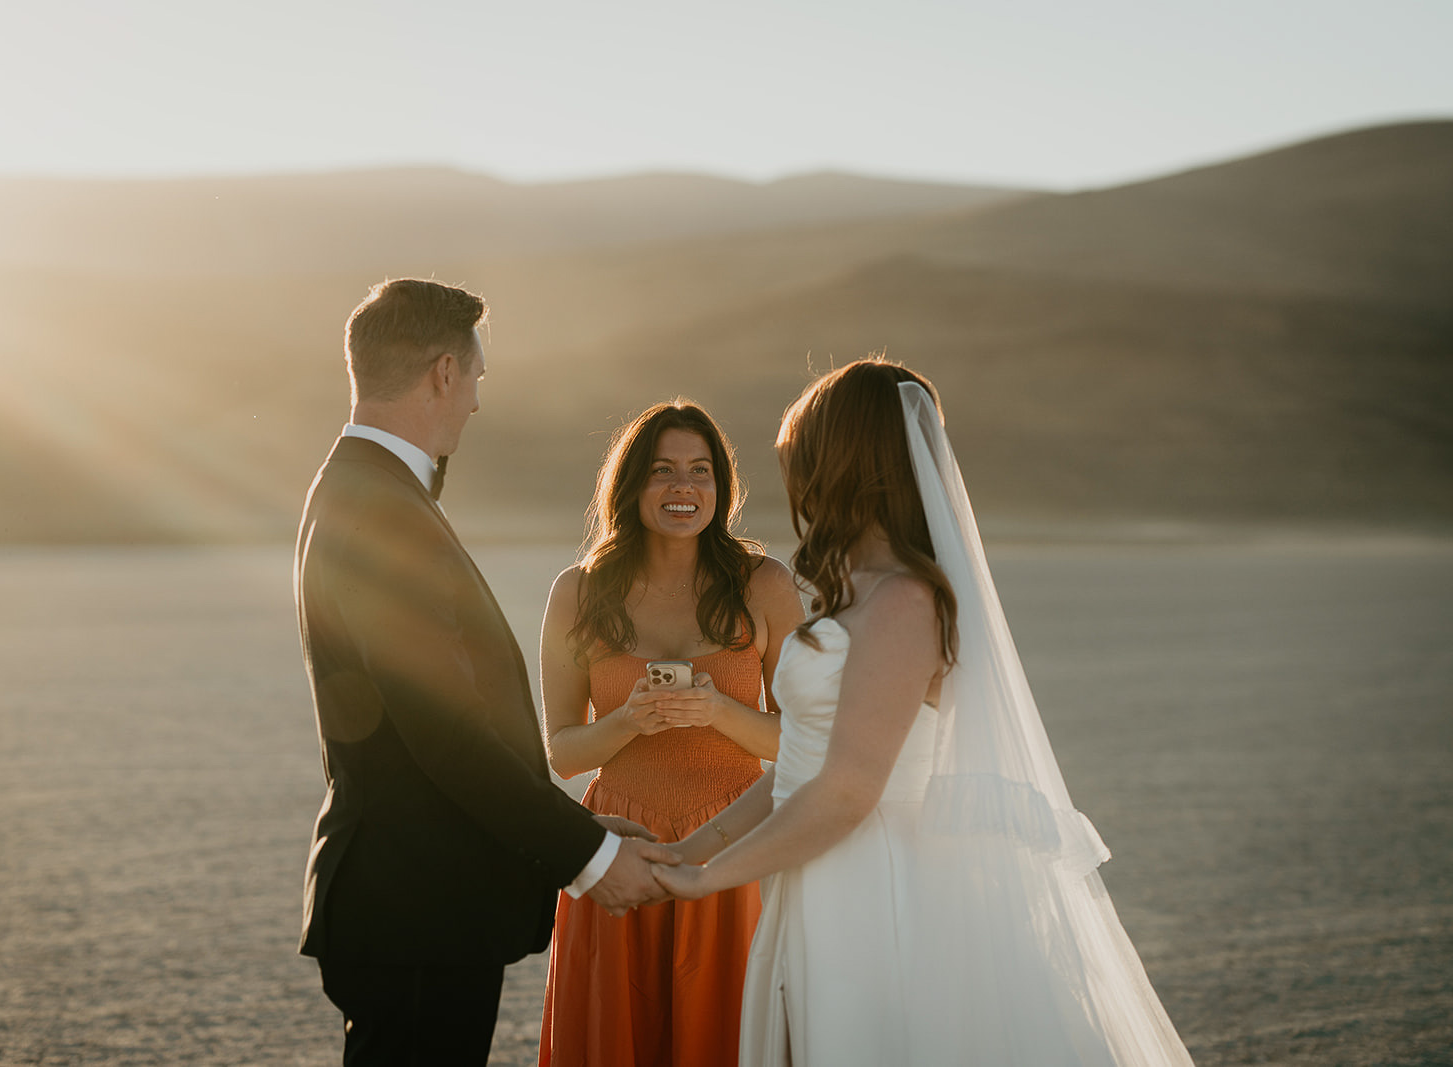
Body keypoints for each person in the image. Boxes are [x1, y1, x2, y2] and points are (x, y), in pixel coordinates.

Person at [654, 359, 1196, 1065]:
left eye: (803, 460)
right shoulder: (859, 594)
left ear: (843, 464)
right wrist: (683, 853)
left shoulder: (905, 602)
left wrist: (705, 880)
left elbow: (847, 790)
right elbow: (797, 769)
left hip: (878, 888)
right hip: (818, 875)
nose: (797, 482)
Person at [293, 278, 678, 1067]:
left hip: (415, 899)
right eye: (474, 377)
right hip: (416, 909)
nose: (474, 401)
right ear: (442, 372)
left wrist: (570, 827)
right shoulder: (381, 508)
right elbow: (445, 732)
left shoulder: (362, 487)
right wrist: (589, 859)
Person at [536, 401, 804, 1066]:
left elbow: (806, 742)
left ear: (722, 487)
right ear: (630, 486)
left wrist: (720, 714)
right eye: (663, 470)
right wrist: (628, 721)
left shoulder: (764, 584)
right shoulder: (577, 592)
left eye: (700, 471)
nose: (684, 487)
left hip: (737, 843)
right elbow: (562, 751)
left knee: (726, 1031)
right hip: (618, 844)